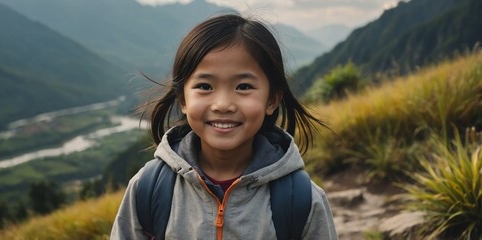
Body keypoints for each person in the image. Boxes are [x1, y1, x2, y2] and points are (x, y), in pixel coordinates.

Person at [110, 14, 337, 239]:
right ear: (183, 100)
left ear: (272, 100)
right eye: (205, 86)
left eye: (244, 86)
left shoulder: (302, 200)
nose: (223, 105)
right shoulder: (148, 189)